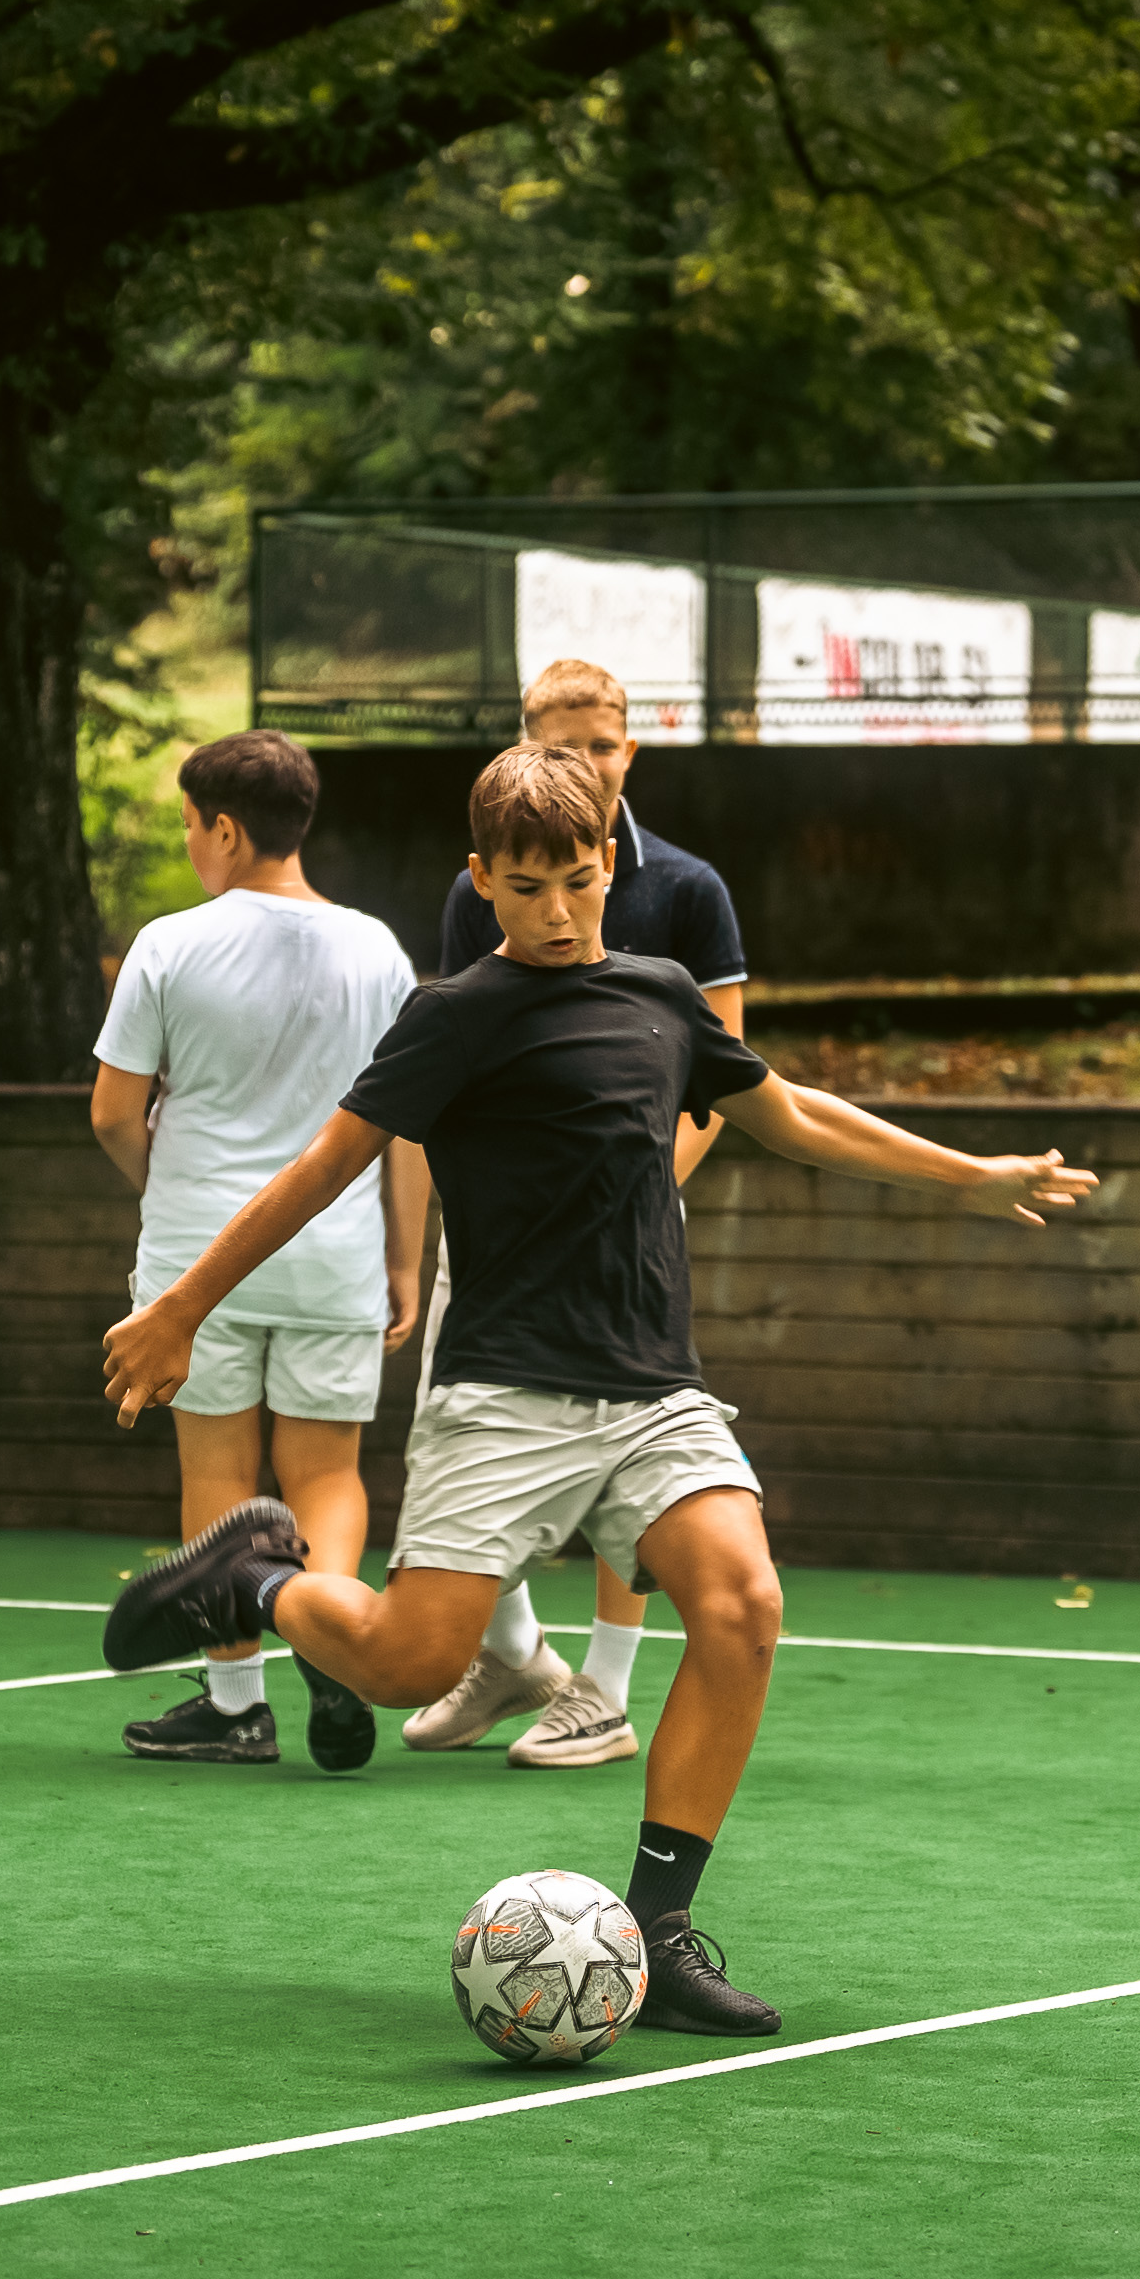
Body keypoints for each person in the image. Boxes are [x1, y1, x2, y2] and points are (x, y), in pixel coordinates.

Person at [98, 741, 1099, 2036]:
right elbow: (320, 1167)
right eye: (526, 887)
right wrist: (179, 1307)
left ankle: (664, 1935)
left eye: (578, 879)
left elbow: (788, 1115)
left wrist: (983, 1175)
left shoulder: (665, 995)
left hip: (651, 1393)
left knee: (741, 1604)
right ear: (482, 882)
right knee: (409, 1664)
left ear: (611, 864)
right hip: (503, 1395)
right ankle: (261, 1580)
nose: (557, 911)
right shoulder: (452, 1016)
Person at [410, 654, 749, 1772]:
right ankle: (503, 1653)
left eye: (599, 746)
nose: (582, 764)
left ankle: (601, 1688)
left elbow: (721, 1082)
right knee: (469, 1451)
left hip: (635, 1218)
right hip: (508, 1234)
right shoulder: (487, 888)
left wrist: (635, 1180)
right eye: (558, 744)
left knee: (640, 1467)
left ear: (628, 750)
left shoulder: (684, 890)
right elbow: (454, 1071)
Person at [91, 729, 428, 1771]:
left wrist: (167, 1199)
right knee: (326, 1468)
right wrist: (403, 1259)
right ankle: (327, 1634)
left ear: (224, 828)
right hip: (336, 1255)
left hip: (202, 1262)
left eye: (192, 826)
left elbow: (112, 1114)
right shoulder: (380, 950)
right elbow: (408, 1125)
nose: (193, 844)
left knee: (220, 1473)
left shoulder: (167, 943)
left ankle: (237, 1703)